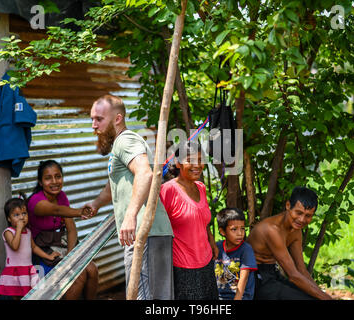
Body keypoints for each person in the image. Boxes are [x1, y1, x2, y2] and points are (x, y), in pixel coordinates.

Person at [84, 95, 174, 300]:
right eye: (92, 119)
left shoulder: (126, 140)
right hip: (151, 232)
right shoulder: (119, 145)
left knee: (144, 298)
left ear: (117, 119)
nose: (93, 125)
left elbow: (145, 174)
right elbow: (114, 184)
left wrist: (130, 215)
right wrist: (97, 203)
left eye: (99, 119)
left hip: (145, 232)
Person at [27, 160, 99, 300]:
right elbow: (57, 210)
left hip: (62, 248)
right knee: (77, 275)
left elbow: (71, 229)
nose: (54, 181)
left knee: (92, 269)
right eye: (48, 178)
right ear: (40, 182)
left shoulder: (61, 196)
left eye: (58, 176)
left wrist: (70, 255)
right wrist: (80, 212)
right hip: (43, 253)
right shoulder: (36, 201)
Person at [247, 186, 333, 300]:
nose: (302, 219)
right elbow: (293, 276)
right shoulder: (272, 230)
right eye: (298, 213)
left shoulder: (296, 230)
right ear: (288, 206)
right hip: (254, 279)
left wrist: (322, 294)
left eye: (308, 216)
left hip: (272, 274)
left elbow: (301, 270)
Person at [160, 141, 219, 300]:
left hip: (206, 261)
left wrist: (212, 242)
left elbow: (203, 220)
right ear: (178, 163)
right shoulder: (168, 190)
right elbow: (156, 227)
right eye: (191, 160)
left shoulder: (200, 187)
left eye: (200, 160)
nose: (197, 165)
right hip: (183, 267)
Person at [0, 197, 60, 299]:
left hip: (27, 270)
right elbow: (15, 246)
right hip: (15, 271)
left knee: (30, 296)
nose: (22, 218)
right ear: (9, 218)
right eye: (16, 215)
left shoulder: (28, 232)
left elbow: (34, 247)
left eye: (24, 213)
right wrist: (18, 229)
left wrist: (48, 256)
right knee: (17, 297)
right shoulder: (8, 232)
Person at [214, 208, 257, 300]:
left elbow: (243, 278)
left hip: (241, 297)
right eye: (234, 229)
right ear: (222, 231)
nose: (240, 233)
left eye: (242, 228)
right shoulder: (217, 248)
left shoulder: (246, 249)